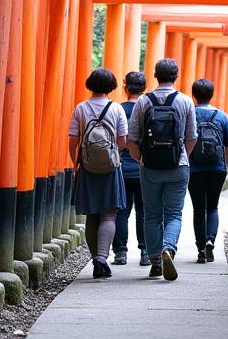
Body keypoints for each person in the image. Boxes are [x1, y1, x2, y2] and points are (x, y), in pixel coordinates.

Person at [128, 58, 197, 281]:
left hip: (149, 167)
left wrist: (142, 159)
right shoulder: (185, 101)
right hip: (178, 166)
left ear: (155, 76)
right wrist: (181, 156)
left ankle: (156, 260)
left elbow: (131, 139)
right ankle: (169, 248)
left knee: (151, 215)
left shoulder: (143, 102)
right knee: (174, 213)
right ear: (176, 76)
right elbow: (191, 136)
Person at [69, 68, 128, 279]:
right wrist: (110, 154)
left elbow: (73, 140)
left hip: (87, 167)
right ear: (111, 86)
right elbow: (122, 141)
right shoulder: (117, 109)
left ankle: (95, 260)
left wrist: (78, 162)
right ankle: (103, 258)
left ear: (90, 84)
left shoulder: (81, 108)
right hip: (111, 168)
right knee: (109, 214)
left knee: (92, 215)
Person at [188, 78, 228, 263]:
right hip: (217, 168)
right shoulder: (222, 116)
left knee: (198, 209)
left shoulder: (190, 114)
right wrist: (227, 166)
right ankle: (210, 240)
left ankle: (200, 249)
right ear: (211, 95)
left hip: (194, 168)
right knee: (213, 206)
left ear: (194, 95)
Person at [112, 71, 150, 266]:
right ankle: (145, 252)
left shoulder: (117, 109)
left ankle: (120, 253)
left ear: (125, 87)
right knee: (144, 212)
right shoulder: (148, 109)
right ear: (144, 88)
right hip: (143, 167)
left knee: (121, 212)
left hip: (121, 168)